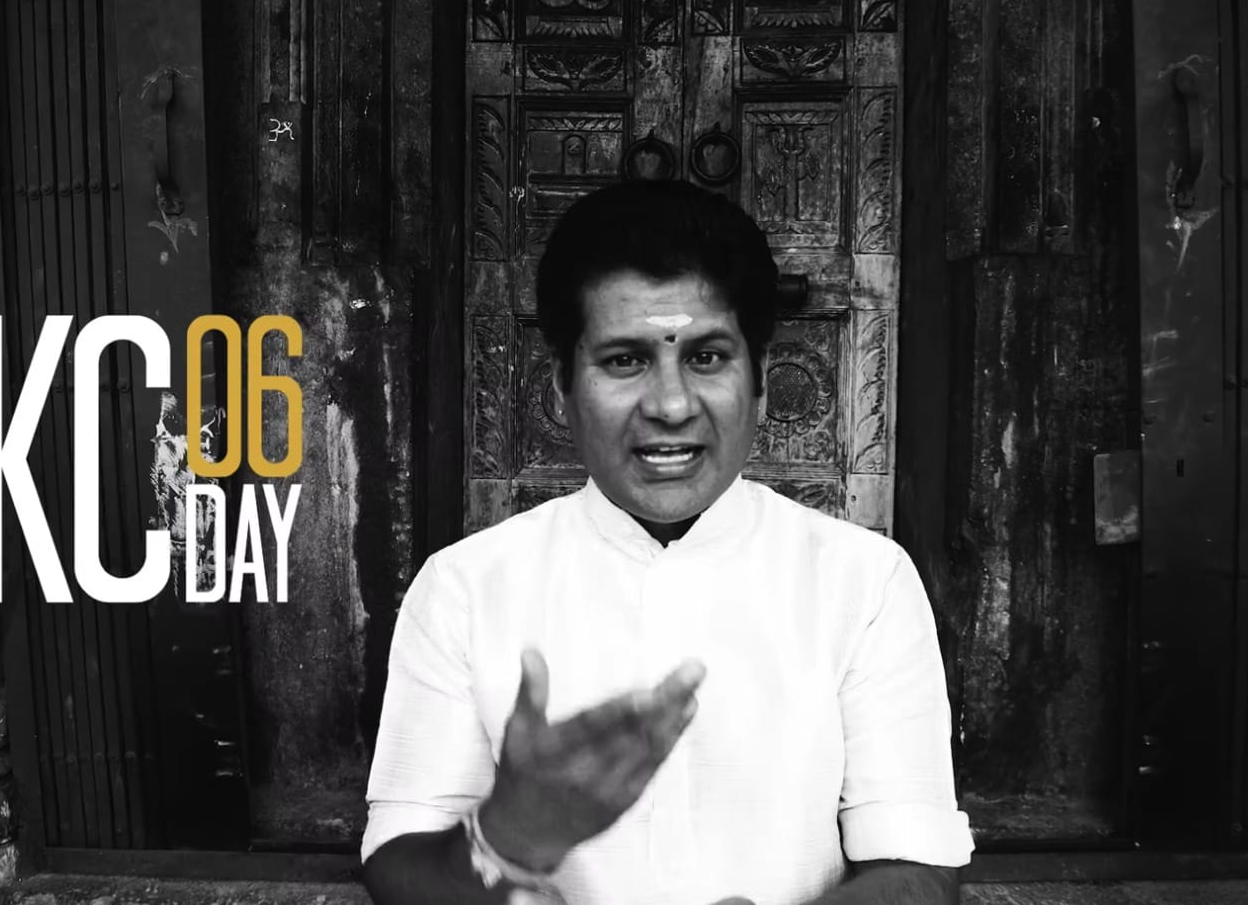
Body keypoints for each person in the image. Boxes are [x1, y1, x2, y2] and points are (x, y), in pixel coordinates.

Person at [361, 180, 974, 905]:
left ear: (761, 381)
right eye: (625, 360)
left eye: (707, 357)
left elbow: (919, 869)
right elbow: (397, 867)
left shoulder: (863, 581)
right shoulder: (465, 588)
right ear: (560, 386)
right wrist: (504, 835)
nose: (672, 405)